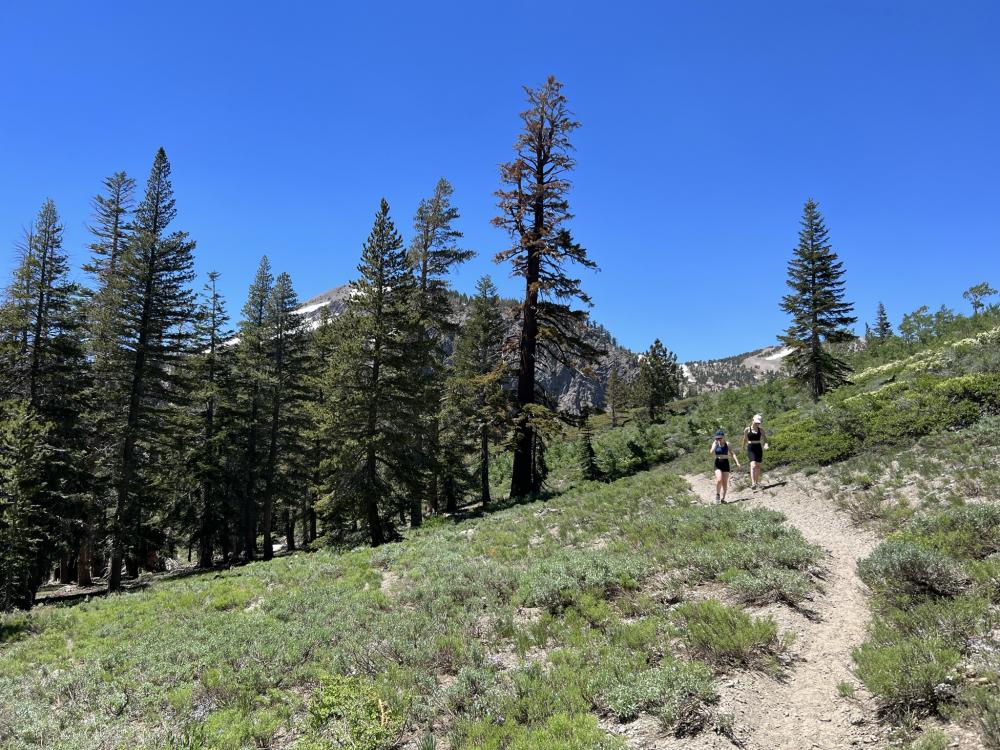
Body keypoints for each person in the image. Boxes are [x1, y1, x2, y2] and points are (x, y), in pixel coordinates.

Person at [709, 429, 740, 504]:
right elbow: (711, 452)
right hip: (718, 463)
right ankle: (717, 495)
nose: (719, 439)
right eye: (717, 438)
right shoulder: (715, 443)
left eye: (720, 438)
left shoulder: (727, 444)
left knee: (724, 482)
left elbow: (732, 453)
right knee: (719, 479)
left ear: (723, 437)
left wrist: (737, 462)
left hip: (725, 463)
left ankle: (723, 499)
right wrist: (715, 445)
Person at [742, 414, 769, 490]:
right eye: (756, 422)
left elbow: (765, 439)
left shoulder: (761, 430)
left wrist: (766, 444)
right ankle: (753, 483)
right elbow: (745, 439)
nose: (757, 424)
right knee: (753, 465)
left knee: (758, 466)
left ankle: (757, 482)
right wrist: (743, 446)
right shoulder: (747, 429)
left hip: (758, 448)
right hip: (751, 448)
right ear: (752, 420)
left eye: (758, 423)